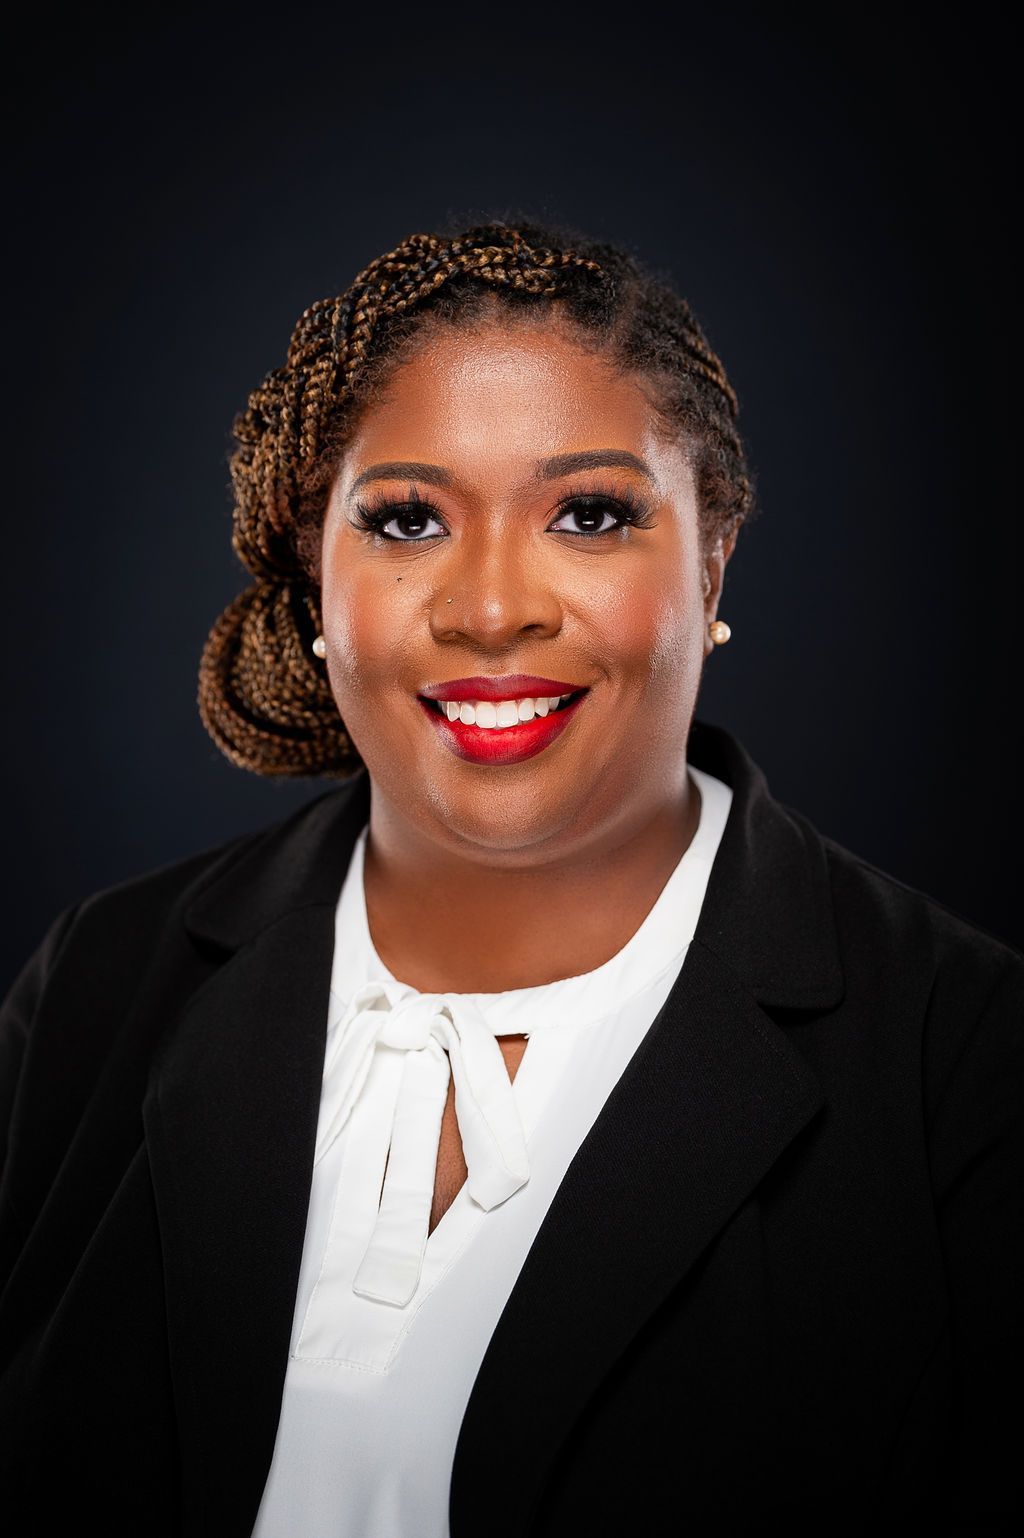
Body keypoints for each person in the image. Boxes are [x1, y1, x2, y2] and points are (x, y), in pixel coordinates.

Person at [0, 217, 1020, 1538]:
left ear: (712, 557)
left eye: (589, 515)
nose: (491, 609)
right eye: (408, 519)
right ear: (316, 580)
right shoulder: (95, 985)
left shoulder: (964, 1062)